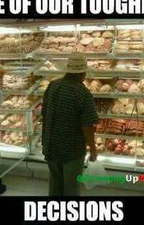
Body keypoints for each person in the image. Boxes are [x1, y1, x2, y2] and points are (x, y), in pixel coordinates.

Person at [41, 52, 99, 196]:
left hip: (51, 147)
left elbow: (44, 113)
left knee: (55, 186)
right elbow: (87, 126)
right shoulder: (83, 93)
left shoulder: (52, 86)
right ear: (83, 73)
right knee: (71, 188)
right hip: (71, 150)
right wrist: (93, 149)